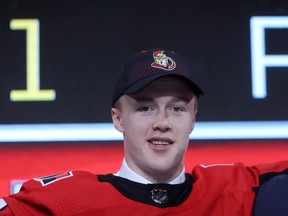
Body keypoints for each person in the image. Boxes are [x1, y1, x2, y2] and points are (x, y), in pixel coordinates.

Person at [0, 48, 288, 215]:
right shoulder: (66, 201)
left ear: (193, 120)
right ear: (118, 118)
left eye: (177, 109)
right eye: (145, 108)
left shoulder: (236, 190)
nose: (162, 122)